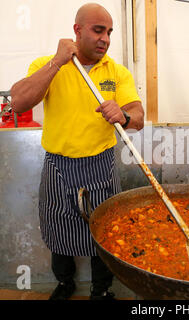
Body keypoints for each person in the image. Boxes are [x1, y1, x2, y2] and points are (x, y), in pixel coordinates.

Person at [10, 3, 144, 300]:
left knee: (104, 232)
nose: (105, 38)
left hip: (101, 164)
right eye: (98, 30)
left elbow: (138, 117)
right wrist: (57, 62)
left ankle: (101, 289)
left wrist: (121, 114)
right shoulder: (47, 64)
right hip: (58, 165)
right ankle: (65, 284)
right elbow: (17, 103)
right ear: (77, 30)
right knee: (58, 230)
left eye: (109, 32)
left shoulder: (116, 72)